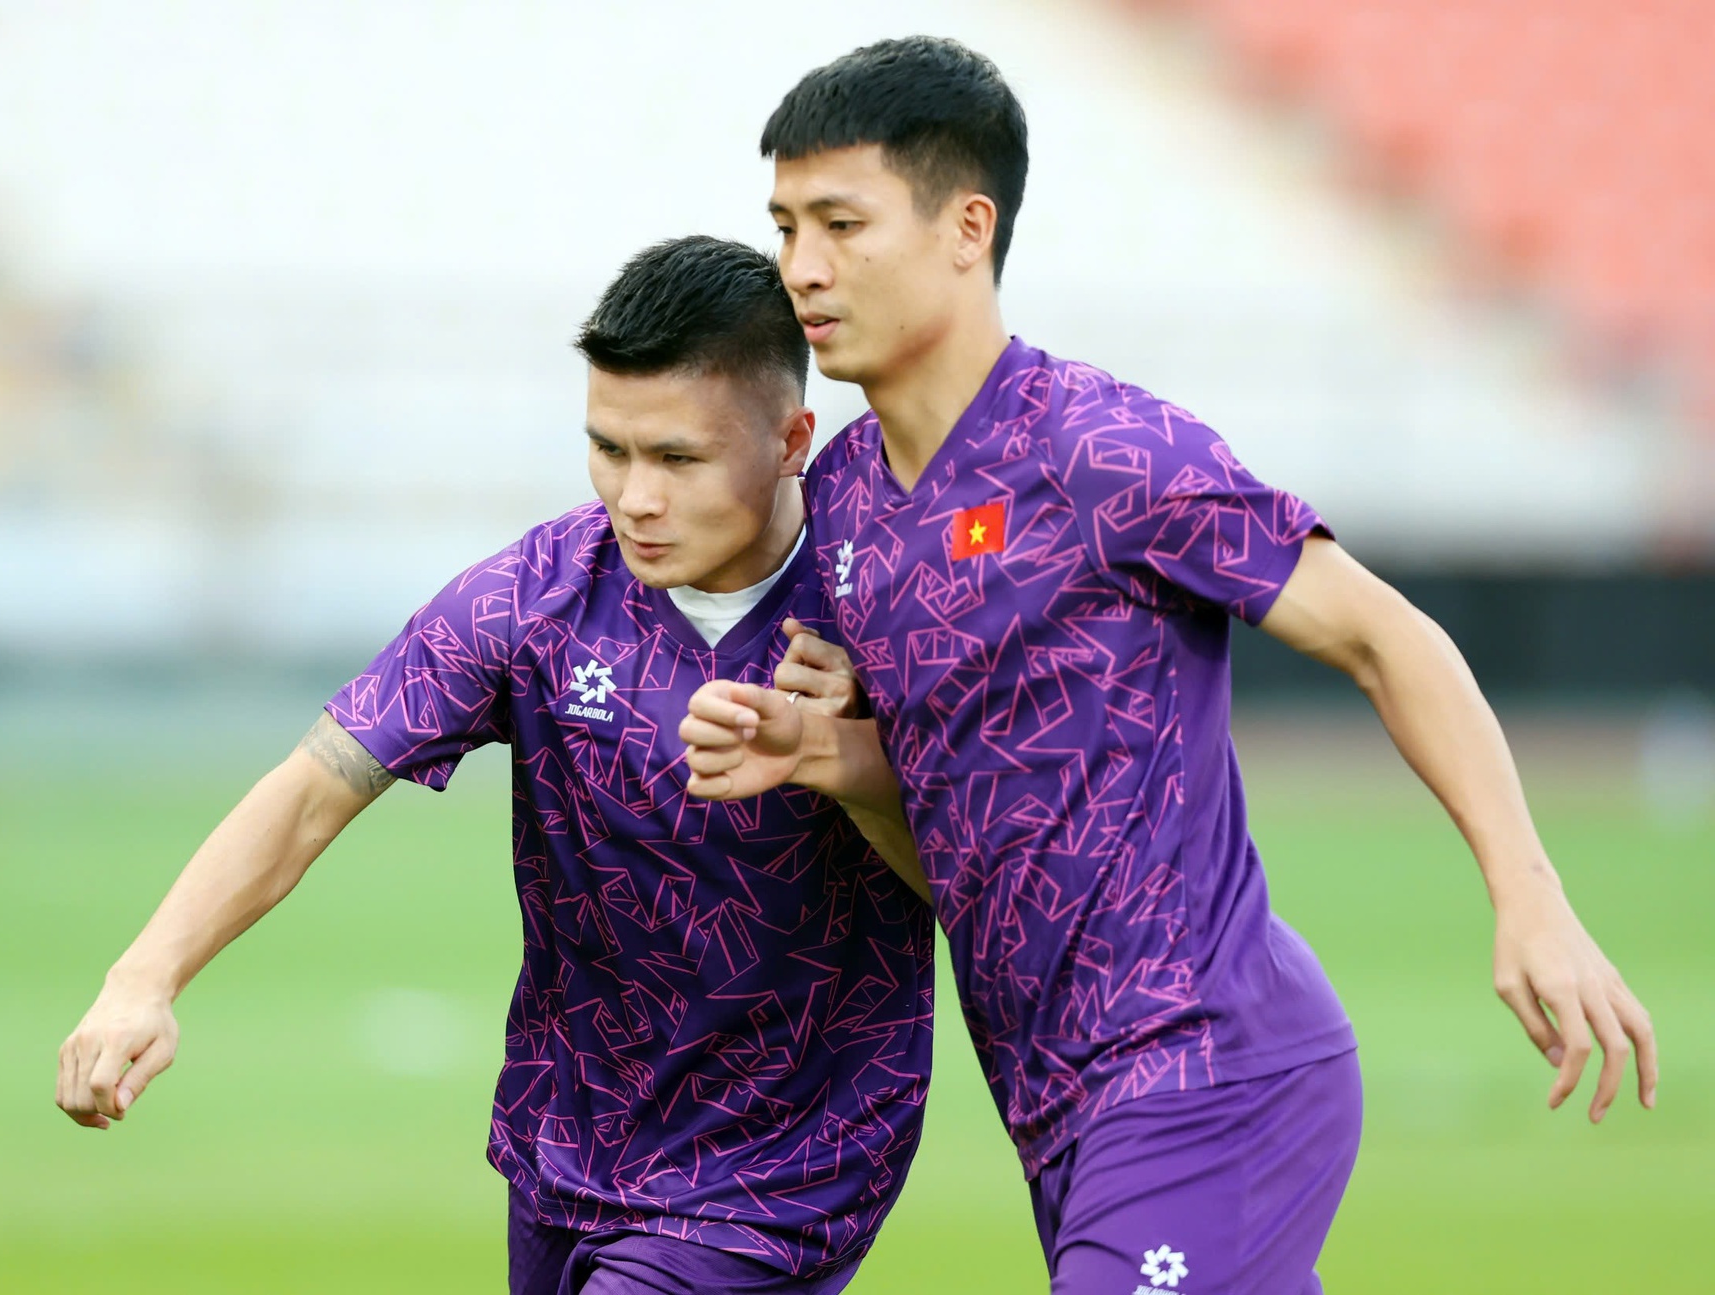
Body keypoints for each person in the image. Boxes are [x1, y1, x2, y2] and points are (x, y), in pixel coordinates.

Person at [678, 37, 1658, 1295]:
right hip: (1053, 1094)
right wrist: (830, 757)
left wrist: (1528, 896)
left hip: (1209, 1065)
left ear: (966, 228)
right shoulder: (846, 502)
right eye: (784, 227)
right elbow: (957, 843)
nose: (801, 268)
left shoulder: (1105, 452)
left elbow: (1386, 635)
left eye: (839, 223)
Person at [55, 236, 935, 1295]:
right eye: (608, 448)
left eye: (677, 459)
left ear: (792, 439)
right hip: (564, 1145)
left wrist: (845, 762)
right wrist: (141, 980)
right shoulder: (533, 598)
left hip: (782, 1170)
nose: (635, 496)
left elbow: (977, 889)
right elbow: (314, 788)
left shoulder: (884, 606)